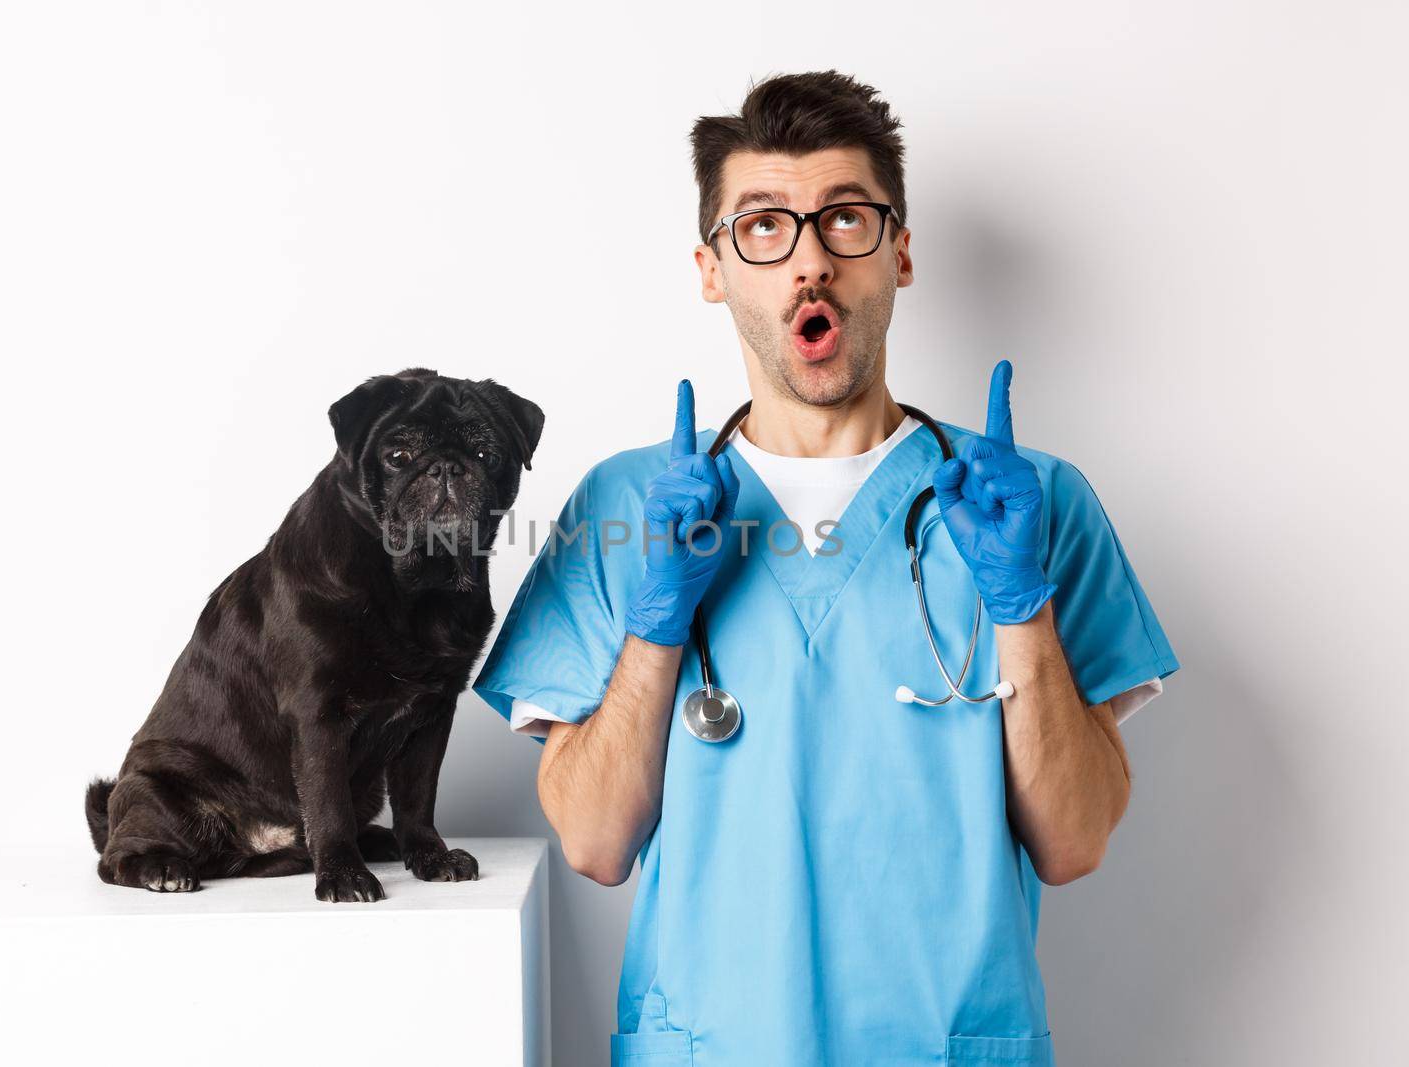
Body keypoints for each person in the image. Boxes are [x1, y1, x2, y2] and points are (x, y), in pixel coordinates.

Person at [473, 70, 1179, 1067]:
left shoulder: (1026, 498)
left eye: (843, 219)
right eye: (764, 226)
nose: (809, 261)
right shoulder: (627, 505)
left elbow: (1073, 843)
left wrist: (1019, 604)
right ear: (712, 267)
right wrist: (656, 622)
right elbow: (593, 841)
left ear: (897, 251)